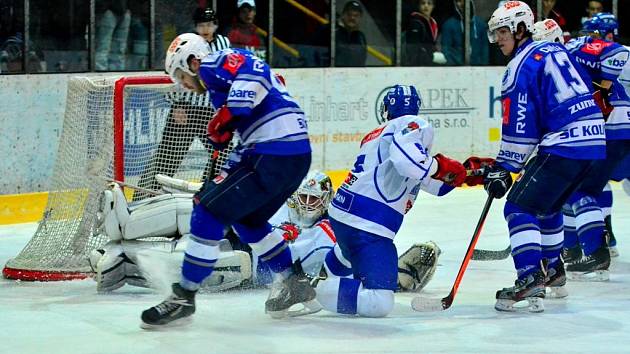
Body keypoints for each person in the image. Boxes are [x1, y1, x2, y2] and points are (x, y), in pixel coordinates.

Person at [138, 34, 313, 328]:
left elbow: (257, 70)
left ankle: (184, 296)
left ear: (191, 62)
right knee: (247, 222)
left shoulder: (211, 63)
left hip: (272, 150)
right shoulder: (217, 90)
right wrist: (224, 129)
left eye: (180, 75)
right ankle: (293, 280)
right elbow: (239, 126)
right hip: (293, 155)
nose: (182, 84)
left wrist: (228, 117)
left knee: (206, 212)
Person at [92, 172, 441, 295]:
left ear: (325, 201)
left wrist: (397, 275)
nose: (305, 204)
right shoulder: (283, 205)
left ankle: (122, 264)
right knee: (197, 211)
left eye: (312, 199)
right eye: (301, 196)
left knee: (222, 262)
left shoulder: (330, 232)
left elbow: (337, 269)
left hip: (252, 267)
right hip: (246, 234)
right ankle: (124, 224)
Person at [485, 1, 606, 312]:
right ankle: (553, 271)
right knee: (548, 206)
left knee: (518, 206)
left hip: (565, 143)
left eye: (502, 32)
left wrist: (505, 167)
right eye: (495, 33)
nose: (497, 39)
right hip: (593, 140)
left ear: (521, 28)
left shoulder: (520, 65)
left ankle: (529, 277)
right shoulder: (555, 51)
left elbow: (520, 122)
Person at [312, 84, 469, 318]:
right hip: (369, 223)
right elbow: (408, 162)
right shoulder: (413, 124)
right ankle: (312, 291)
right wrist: (440, 166)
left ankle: (324, 276)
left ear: (386, 109)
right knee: (379, 302)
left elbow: (425, 179)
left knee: (348, 250)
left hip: (343, 213)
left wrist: (466, 174)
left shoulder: (377, 134)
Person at [559, 13, 630, 280]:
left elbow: (617, 54)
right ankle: (601, 240)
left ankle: (590, 249)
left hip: (614, 131)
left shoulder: (574, 49)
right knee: (596, 185)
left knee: (578, 188)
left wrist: (604, 87)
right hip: (622, 131)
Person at [133, 7, 231, 200]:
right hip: (185, 110)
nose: (206, 28)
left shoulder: (224, 43)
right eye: (202, 24)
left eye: (209, 24)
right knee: (167, 157)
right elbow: (172, 75)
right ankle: (142, 197)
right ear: (195, 26)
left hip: (210, 112)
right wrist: (176, 104)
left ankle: (209, 195)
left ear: (216, 25)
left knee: (223, 154)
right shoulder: (188, 43)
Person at [440, 0, 488, 66]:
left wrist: (484, 67)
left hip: (478, 69)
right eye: (458, 1)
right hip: (456, 69)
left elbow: (485, 50)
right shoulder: (448, 25)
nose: (461, 4)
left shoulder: (481, 24)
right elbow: (446, 50)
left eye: (464, 1)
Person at [401, 0, 446, 66]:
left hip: (427, 66)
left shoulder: (433, 23)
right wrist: (433, 57)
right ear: (419, 6)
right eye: (423, 3)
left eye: (429, 3)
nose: (426, 6)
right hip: (417, 67)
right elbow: (413, 51)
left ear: (433, 6)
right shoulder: (415, 23)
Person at [335, 1, 367, 67]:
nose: (352, 18)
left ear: (360, 18)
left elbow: (361, 61)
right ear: (343, 15)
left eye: (356, 15)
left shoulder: (361, 37)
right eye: (349, 14)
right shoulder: (330, 32)